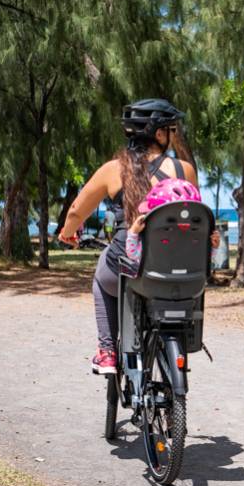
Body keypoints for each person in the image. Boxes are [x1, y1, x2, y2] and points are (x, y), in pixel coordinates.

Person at [58, 98, 211, 375]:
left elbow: (76, 212)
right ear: (160, 133)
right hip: (176, 269)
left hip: (128, 265)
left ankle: (107, 351)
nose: (174, 136)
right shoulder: (184, 170)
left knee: (101, 277)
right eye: (172, 130)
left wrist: (68, 234)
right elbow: (193, 211)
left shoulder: (112, 169)